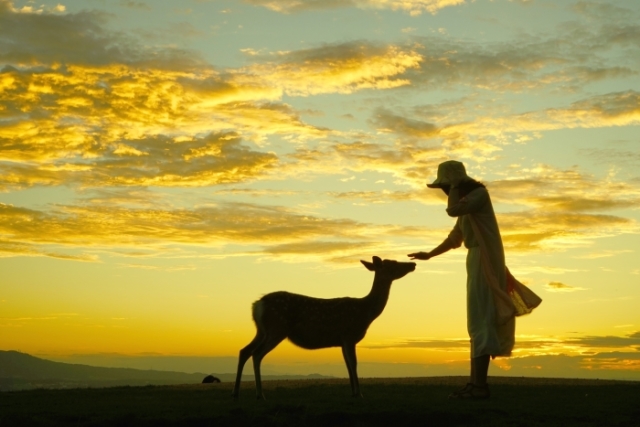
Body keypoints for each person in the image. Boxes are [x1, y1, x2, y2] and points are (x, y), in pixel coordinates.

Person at [408, 160, 515, 399]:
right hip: (475, 258)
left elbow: (452, 211)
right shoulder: (468, 203)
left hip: (484, 259)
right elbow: (456, 236)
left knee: (482, 321)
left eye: (446, 186)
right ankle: (475, 383)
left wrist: (455, 186)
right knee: (477, 322)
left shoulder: (478, 195)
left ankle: (479, 387)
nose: (446, 192)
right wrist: (430, 254)